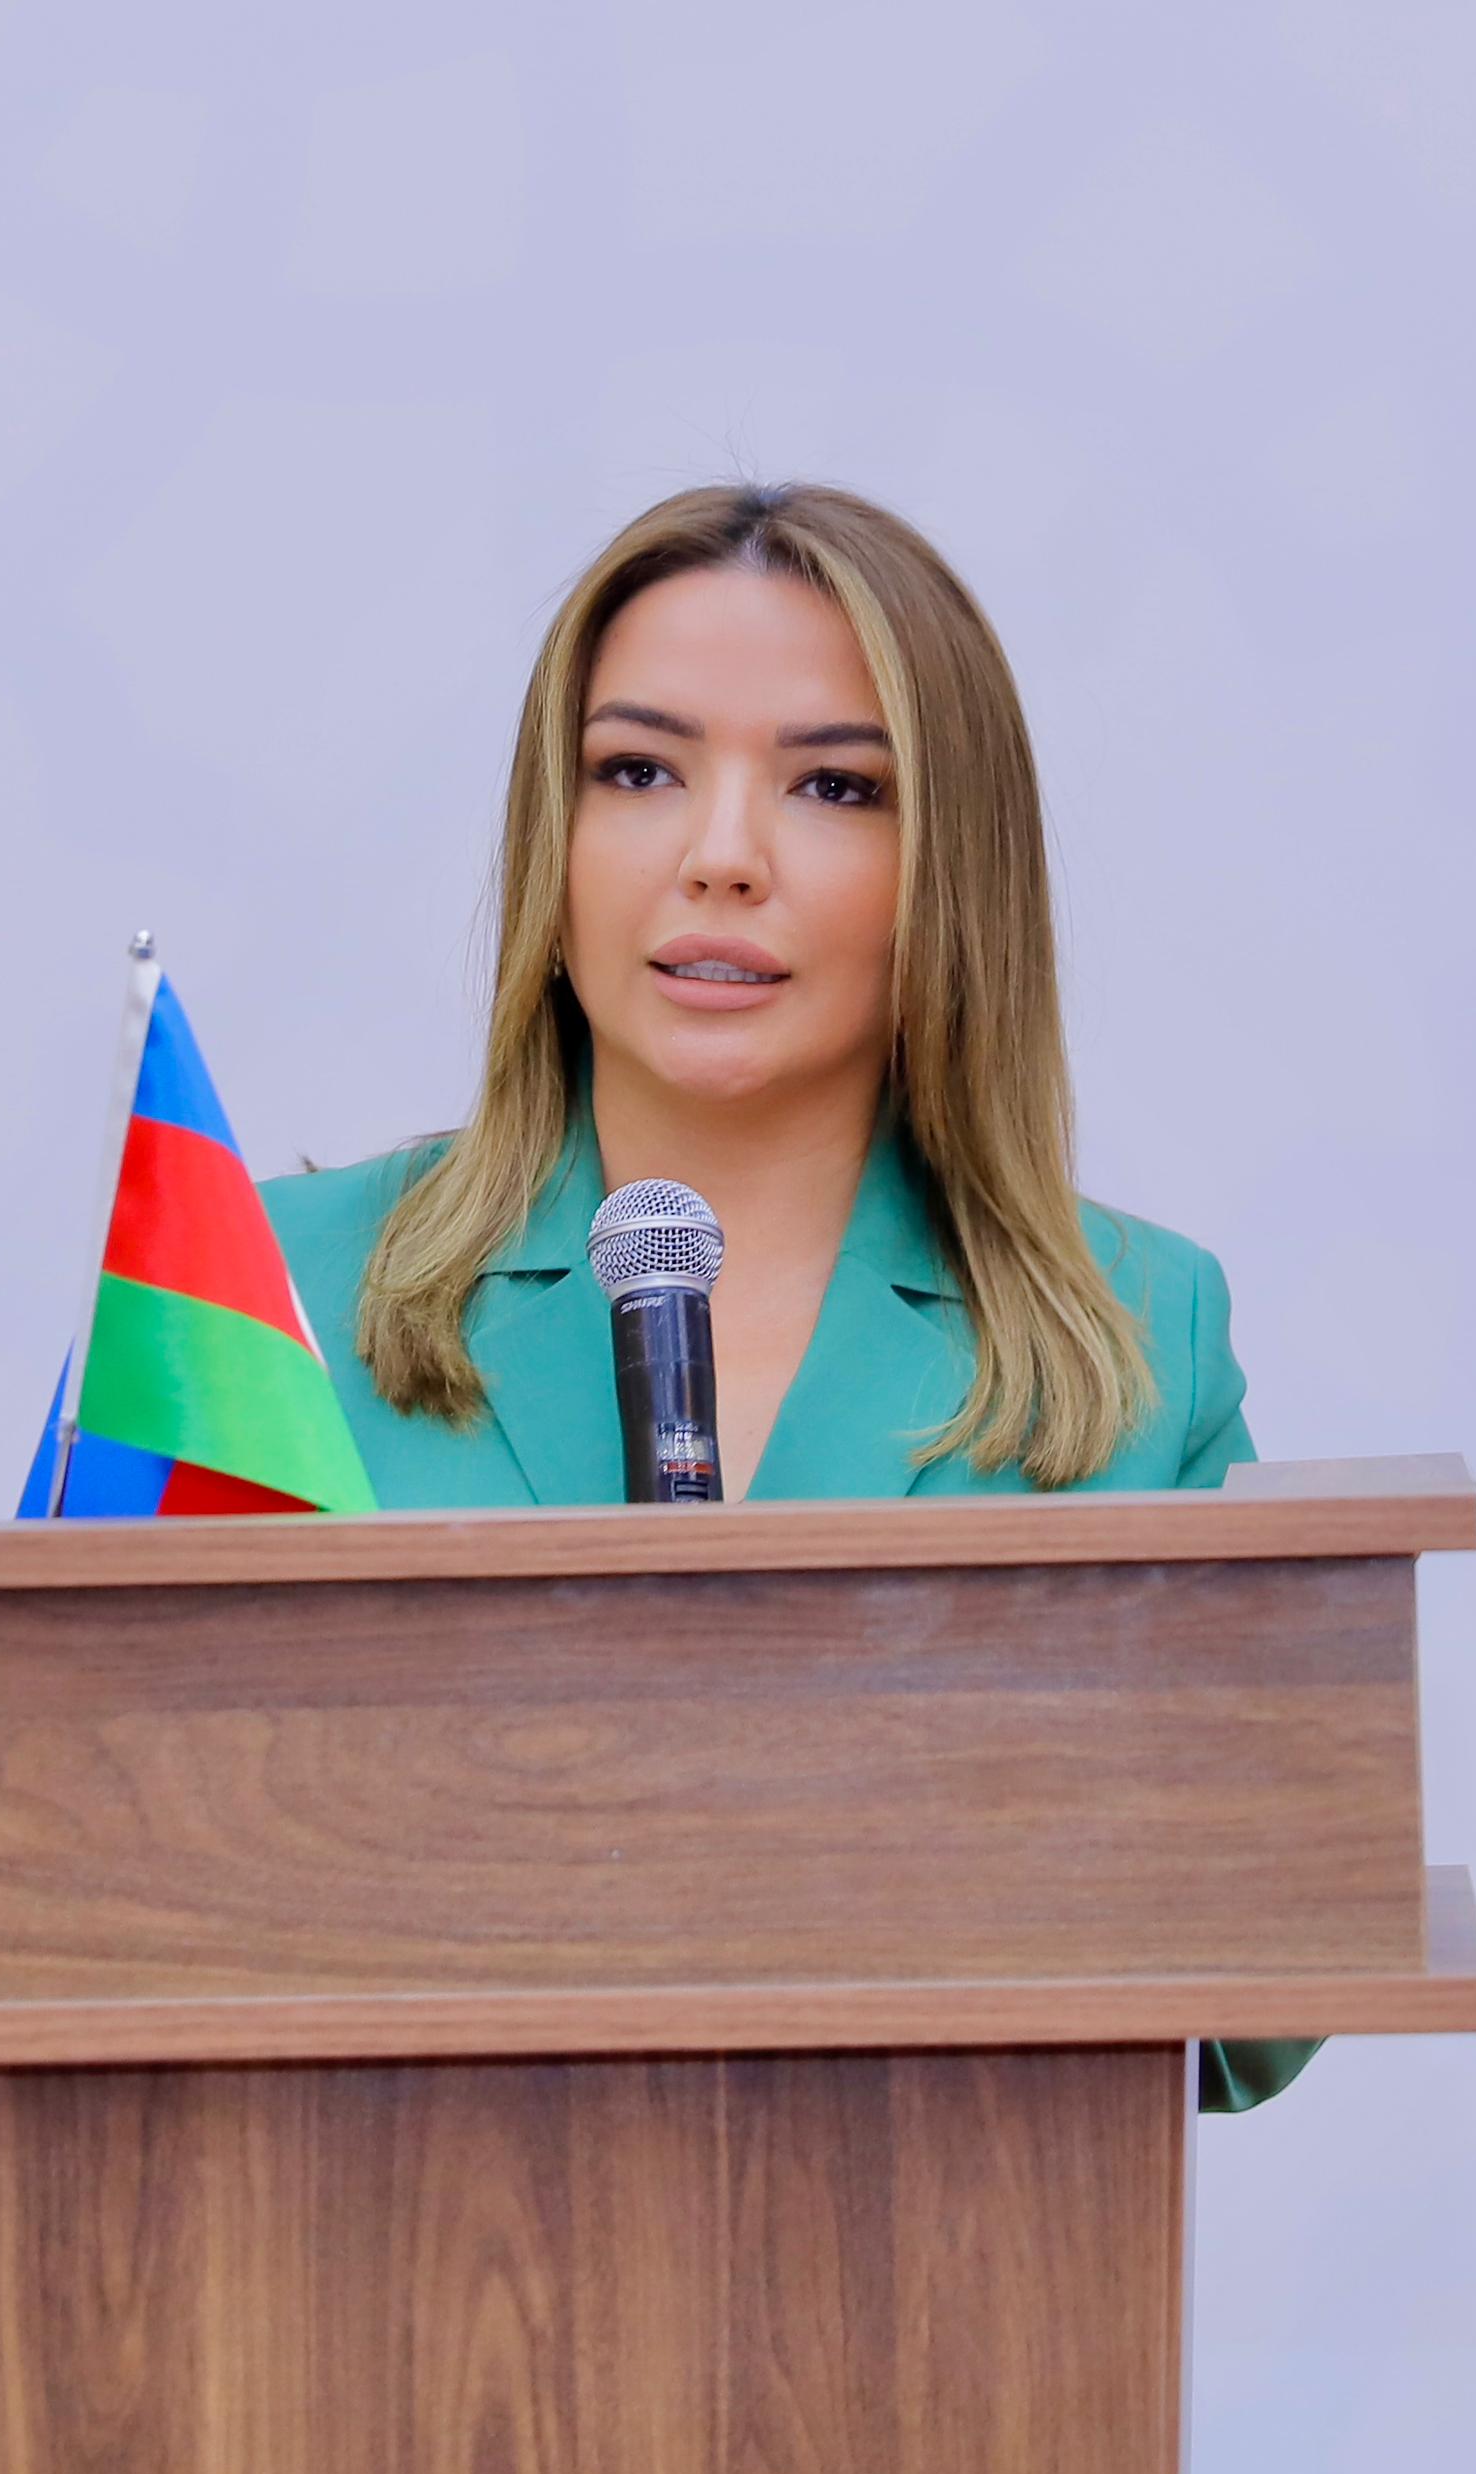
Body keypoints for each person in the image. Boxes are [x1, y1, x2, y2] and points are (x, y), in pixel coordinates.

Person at [260, 479, 1309, 2114]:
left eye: (833, 786)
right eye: (639, 771)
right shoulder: (277, 1288)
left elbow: (1258, 2002)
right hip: (367, 2243)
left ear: (948, 872)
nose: (721, 857)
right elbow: (72, 1855)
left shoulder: (1135, 1338)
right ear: (553, 843)